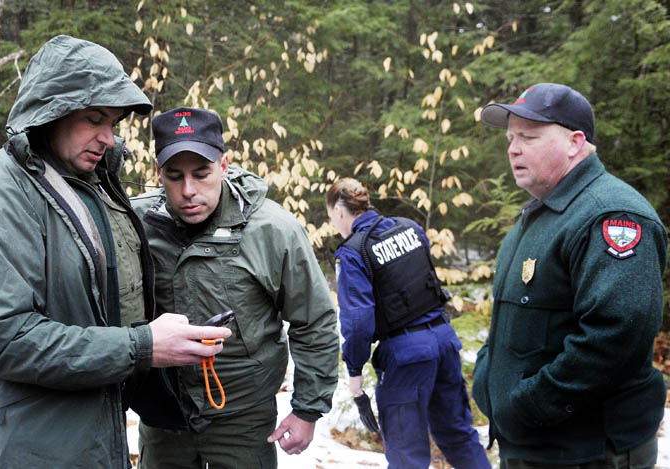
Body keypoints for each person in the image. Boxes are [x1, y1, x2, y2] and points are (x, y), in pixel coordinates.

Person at [0, 35, 231, 468]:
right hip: (34, 447)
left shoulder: (84, 185)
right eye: (94, 119)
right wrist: (143, 346)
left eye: (113, 123)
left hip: (93, 435)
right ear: (50, 111)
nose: (109, 138)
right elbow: (7, 341)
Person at [130, 106, 340, 468]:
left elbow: (314, 321)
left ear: (224, 166)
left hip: (243, 416)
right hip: (164, 414)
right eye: (175, 176)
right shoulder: (136, 226)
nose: (189, 191)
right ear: (157, 173)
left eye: (201, 173)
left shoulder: (273, 230)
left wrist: (307, 409)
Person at [472, 82, 668, 468]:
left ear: (575, 143)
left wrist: (525, 404)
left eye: (528, 136)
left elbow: (613, 340)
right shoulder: (544, 212)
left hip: (586, 452)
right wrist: (488, 377)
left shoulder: (610, 216)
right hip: (537, 445)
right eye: (511, 137)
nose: (513, 148)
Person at [325, 178, 491, 469]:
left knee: (406, 456)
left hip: (406, 355)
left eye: (331, 218)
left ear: (339, 211)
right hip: (444, 339)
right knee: (459, 437)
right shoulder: (410, 228)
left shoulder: (353, 252)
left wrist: (354, 371)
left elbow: (358, 321)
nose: (334, 225)